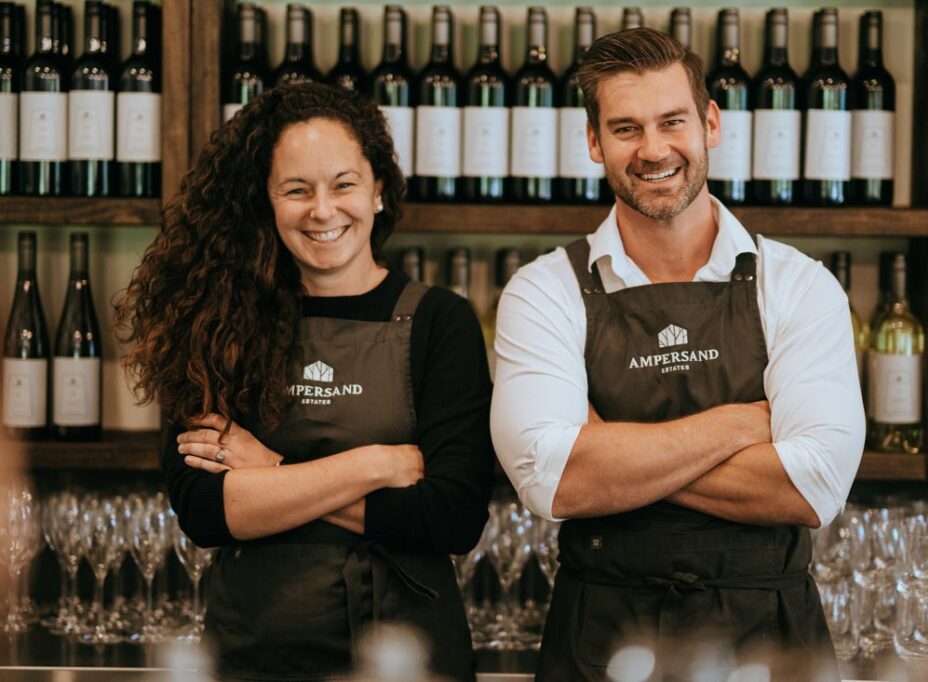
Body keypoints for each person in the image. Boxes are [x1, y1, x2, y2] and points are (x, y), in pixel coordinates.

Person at [491, 28, 864, 680]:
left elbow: (813, 485)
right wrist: (741, 424)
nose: (653, 149)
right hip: (599, 639)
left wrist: (610, 451)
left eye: (672, 122)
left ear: (710, 123)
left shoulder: (799, 284)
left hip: (767, 643)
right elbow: (553, 481)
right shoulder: (543, 291)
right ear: (593, 141)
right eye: (626, 128)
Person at [115, 83, 494, 681]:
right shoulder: (218, 321)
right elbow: (206, 511)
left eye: (343, 184)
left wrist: (270, 476)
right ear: (266, 201)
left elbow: (452, 515)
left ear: (377, 191)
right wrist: (377, 464)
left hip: (407, 659)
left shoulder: (438, 321)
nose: (323, 210)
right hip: (257, 654)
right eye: (297, 190)